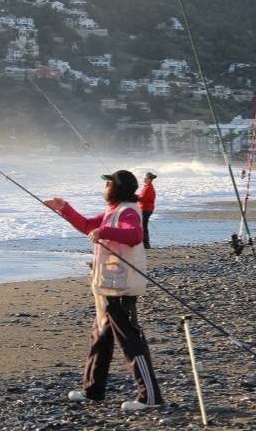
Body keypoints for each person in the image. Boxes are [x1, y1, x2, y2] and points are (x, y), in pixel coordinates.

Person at [45, 170, 164, 411]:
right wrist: (64, 207)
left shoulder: (128, 210)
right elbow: (88, 225)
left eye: (108, 183)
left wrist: (105, 232)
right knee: (100, 338)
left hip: (120, 289)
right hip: (107, 288)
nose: (105, 186)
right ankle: (93, 390)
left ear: (118, 187)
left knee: (131, 342)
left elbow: (135, 235)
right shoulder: (114, 210)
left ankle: (150, 397)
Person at [138, 172, 156, 249]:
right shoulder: (147, 187)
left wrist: (132, 197)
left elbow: (142, 199)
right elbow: (142, 197)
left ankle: (145, 244)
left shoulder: (148, 188)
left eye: (145, 178)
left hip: (146, 209)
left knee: (143, 226)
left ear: (149, 179)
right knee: (143, 226)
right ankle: (144, 243)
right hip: (146, 208)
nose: (144, 179)